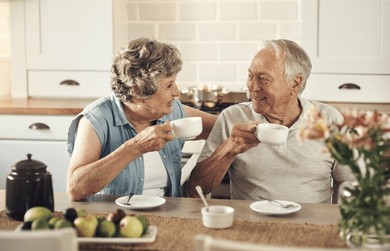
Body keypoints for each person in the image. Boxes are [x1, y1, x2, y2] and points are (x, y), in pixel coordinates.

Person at [186, 39, 352, 203]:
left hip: (312, 226)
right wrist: (229, 149)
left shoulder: (331, 120)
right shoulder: (233, 118)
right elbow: (195, 189)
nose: (252, 86)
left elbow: (347, 182)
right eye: (250, 76)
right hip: (249, 226)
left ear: (295, 83)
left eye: (263, 78)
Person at [66, 37, 217, 201]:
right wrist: (135, 147)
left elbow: (223, 125)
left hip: (170, 218)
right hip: (114, 219)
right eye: (169, 85)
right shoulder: (97, 120)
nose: (177, 92)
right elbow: (75, 189)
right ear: (137, 91)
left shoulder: (172, 111)